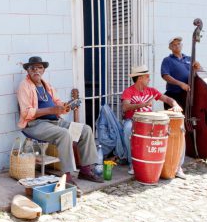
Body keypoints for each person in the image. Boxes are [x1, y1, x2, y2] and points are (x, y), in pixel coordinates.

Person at [16, 56, 103, 186]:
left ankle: (85, 169)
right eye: (32, 68)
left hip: (55, 122)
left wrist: (65, 106)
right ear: (27, 71)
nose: (36, 71)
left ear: (44, 70)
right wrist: (52, 110)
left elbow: (58, 104)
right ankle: (66, 175)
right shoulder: (24, 86)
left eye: (39, 67)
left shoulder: (47, 85)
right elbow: (26, 112)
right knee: (64, 134)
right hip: (35, 124)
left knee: (85, 130)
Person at [122, 64, 184, 177]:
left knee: (179, 132)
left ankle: (177, 166)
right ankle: (133, 163)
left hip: (149, 122)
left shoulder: (151, 91)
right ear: (140, 78)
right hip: (133, 121)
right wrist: (144, 104)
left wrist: (175, 105)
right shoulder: (129, 91)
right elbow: (125, 107)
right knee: (127, 129)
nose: (149, 79)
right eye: (147, 76)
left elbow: (167, 99)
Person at [160, 36, 201, 110]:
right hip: (174, 95)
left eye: (178, 44)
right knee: (175, 120)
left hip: (189, 95)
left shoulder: (189, 58)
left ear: (182, 45)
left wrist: (198, 68)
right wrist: (180, 84)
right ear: (170, 48)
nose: (177, 46)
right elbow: (165, 76)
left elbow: (197, 74)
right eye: (174, 45)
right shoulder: (167, 60)